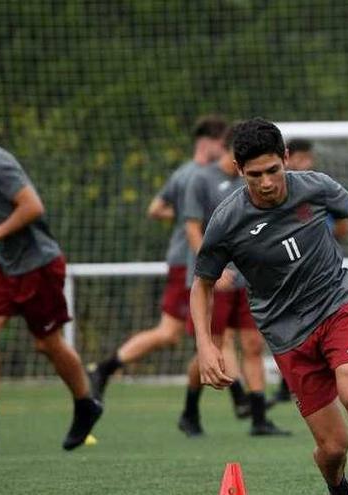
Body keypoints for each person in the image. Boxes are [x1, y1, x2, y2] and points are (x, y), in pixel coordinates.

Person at [193, 117, 348, 495]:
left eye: (273, 170)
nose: (266, 183)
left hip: (337, 304)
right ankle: (338, 487)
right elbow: (202, 285)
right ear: (238, 170)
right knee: (334, 447)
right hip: (287, 334)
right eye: (254, 175)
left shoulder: (315, 187)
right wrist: (205, 344)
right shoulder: (227, 221)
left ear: (286, 158)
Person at [0, 100, 102, 451]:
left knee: (48, 344)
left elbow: (32, 206)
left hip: (38, 267)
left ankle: (86, 404)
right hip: (6, 267)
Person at [88, 116, 251, 417]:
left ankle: (231, 401)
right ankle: (105, 368)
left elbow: (158, 209)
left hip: (201, 260)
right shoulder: (195, 176)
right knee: (171, 333)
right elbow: (156, 210)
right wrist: (189, 218)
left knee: (213, 335)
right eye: (222, 144)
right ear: (208, 143)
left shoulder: (193, 174)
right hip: (187, 261)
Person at [179, 127, 289, 437]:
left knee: (253, 345)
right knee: (212, 347)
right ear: (236, 157)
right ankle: (189, 409)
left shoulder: (254, 184)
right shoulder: (201, 179)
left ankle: (258, 418)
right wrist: (214, 269)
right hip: (216, 280)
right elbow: (192, 229)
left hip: (246, 278)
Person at [269, 138, 348, 405]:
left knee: (323, 327)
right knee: (294, 330)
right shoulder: (272, 196)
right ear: (287, 159)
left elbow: (343, 226)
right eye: (301, 159)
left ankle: (323, 378)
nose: (306, 164)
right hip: (287, 278)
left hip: (323, 275)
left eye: (308, 159)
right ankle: (289, 384)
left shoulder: (318, 189)